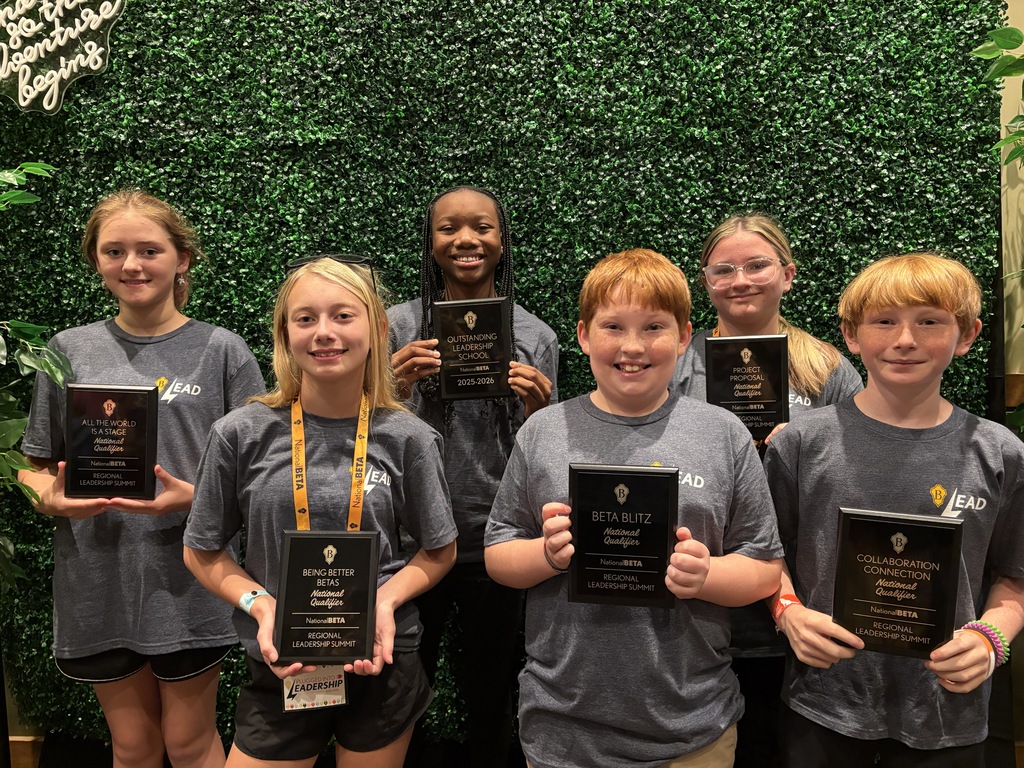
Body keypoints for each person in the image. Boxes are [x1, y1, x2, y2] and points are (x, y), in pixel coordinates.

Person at [485, 248, 783, 768]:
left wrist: (706, 575)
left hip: (693, 728)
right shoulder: (543, 431)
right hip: (563, 726)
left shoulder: (722, 434)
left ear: (686, 336)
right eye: (612, 326)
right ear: (582, 335)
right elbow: (498, 553)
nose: (632, 346)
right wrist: (548, 556)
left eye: (654, 327)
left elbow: (764, 566)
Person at [18, 189, 266, 768]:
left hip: (192, 576)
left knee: (187, 741)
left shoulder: (222, 351)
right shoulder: (67, 350)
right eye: (114, 251)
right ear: (97, 261)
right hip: (98, 578)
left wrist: (198, 499)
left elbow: (261, 473)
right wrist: (53, 498)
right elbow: (33, 467)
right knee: (131, 746)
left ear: (182, 259)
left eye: (149, 250)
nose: (132, 265)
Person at [184, 255, 458, 768]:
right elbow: (201, 551)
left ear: (377, 328)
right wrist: (263, 607)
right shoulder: (240, 434)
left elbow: (440, 550)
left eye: (343, 316)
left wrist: (385, 601)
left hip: (382, 660)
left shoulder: (409, 438)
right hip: (280, 663)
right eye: (305, 318)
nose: (324, 332)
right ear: (285, 333)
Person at [763, 252, 1024, 767]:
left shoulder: (1000, 452)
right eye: (884, 321)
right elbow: (764, 555)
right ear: (852, 335)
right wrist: (786, 612)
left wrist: (994, 638)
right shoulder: (801, 443)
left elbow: (1014, 575)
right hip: (824, 702)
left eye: (929, 321)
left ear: (967, 335)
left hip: (948, 708)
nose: (905, 340)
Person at [676, 213, 863, 767]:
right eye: (723, 269)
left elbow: (863, 470)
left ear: (787, 274)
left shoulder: (826, 367)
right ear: (705, 281)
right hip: (700, 596)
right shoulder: (675, 362)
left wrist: (809, 451)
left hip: (802, 602)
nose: (741, 280)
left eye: (757, 265)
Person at [388, 185, 558, 767]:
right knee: (399, 686)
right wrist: (393, 388)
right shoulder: (394, 330)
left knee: (493, 687)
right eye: (449, 228)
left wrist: (540, 412)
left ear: (502, 241)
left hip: (496, 539)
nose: (466, 240)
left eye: (482, 227)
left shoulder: (536, 337)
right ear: (430, 243)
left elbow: (544, 453)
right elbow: (357, 429)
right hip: (409, 539)